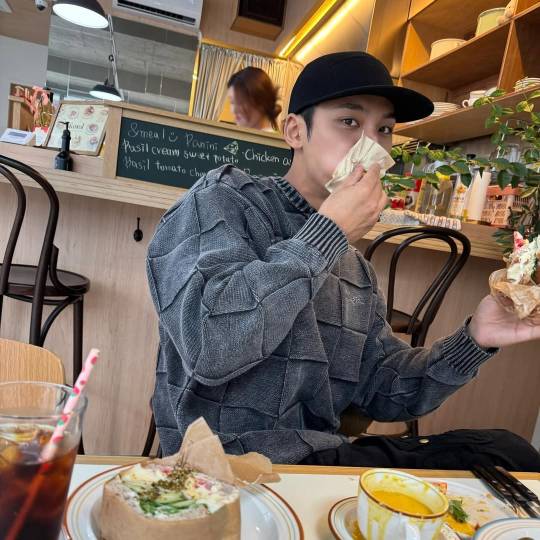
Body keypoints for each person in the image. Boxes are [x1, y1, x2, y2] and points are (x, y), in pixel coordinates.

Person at [147, 52, 540, 471]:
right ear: (295, 131)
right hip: (214, 467)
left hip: (318, 463)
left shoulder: (354, 267)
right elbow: (211, 348)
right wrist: (327, 233)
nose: (371, 146)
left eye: (384, 129)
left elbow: (384, 392)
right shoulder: (221, 201)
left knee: (508, 452)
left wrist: (476, 340)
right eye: (349, 121)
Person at [226, 67, 281, 132]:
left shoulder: (272, 138)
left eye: (240, 101)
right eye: (232, 102)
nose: (234, 110)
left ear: (262, 101)